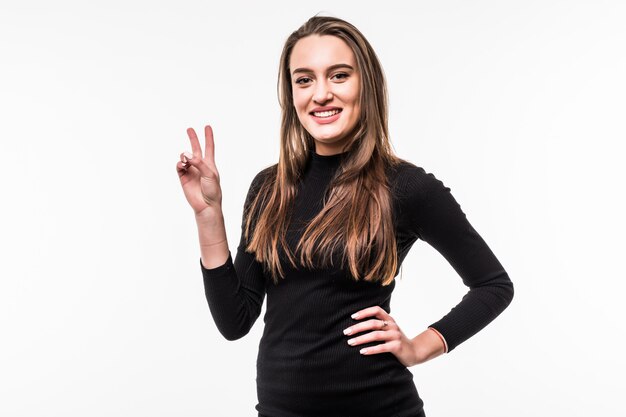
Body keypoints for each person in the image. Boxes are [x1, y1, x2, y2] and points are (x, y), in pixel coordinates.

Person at [176, 15, 514, 417]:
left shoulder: (406, 187)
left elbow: (493, 285)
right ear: (291, 94)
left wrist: (420, 346)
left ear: (364, 85)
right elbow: (235, 322)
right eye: (304, 80)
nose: (320, 94)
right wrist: (209, 215)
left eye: (338, 76)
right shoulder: (269, 187)